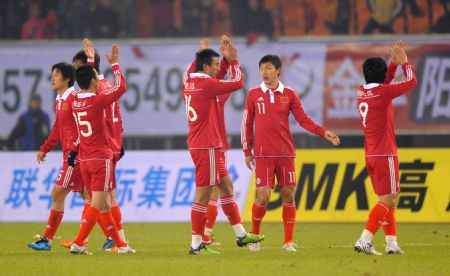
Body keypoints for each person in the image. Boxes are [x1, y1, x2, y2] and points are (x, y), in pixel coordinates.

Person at [241, 54, 340, 252]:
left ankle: (288, 242)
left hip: (285, 153)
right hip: (262, 154)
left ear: (278, 70)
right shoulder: (253, 94)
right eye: (261, 69)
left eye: (268, 68)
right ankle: (254, 238)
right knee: (263, 196)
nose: (264, 72)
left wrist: (323, 132)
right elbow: (246, 123)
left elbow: (303, 119)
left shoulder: (290, 94)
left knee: (288, 195)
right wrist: (247, 150)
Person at [182, 42, 265, 255]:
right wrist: (234, 61)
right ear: (206, 67)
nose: (219, 68)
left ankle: (240, 234)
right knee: (204, 194)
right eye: (216, 64)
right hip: (206, 145)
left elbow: (204, 72)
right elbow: (238, 82)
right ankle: (196, 245)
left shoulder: (189, 81)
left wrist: (217, 59)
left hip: (204, 143)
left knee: (226, 185)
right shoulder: (207, 85)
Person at [60, 38, 127, 252]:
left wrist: (90, 61)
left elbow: (87, 83)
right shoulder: (102, 93)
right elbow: (120, 87)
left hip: (86, 154)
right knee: (102, 201)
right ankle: (84, 242)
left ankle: (119, 242)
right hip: (103, 151)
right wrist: (114, 64)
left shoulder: (77, 99)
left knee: (100, 200)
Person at [354, 41, 417, 255]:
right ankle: (364, 239)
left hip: (371, 153)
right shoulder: (383, 93)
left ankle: (391, 244)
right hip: (385, 153)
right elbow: (411, 82)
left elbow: (384, 81)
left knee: (389, 198)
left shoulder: (362, 91)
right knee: (389, 199)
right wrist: (404, 64)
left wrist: (393, 64)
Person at [27, 62, 82, 251]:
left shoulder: (75, 98)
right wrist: (45, 148)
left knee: (58, 193)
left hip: (77, 156)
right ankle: (114, 238)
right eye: (52, 74)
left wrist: (76, 148)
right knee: (92, 197)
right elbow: (58, 128)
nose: (53, 78)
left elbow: (84, 126)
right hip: (72, 154)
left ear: (67, 79)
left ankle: (48, 240)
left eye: (57, 74)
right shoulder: (59, 101)